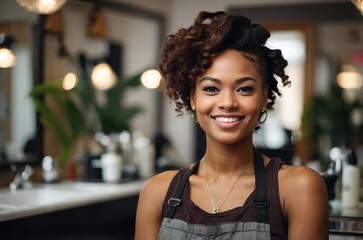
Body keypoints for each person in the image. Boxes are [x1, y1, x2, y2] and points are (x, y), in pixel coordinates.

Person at [135, 11, 329, 240]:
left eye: (244, 88)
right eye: (211, 89)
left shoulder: (299, 188)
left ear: (264, 97)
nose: (227, 103)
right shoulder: (157, 191)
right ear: (193, 99)